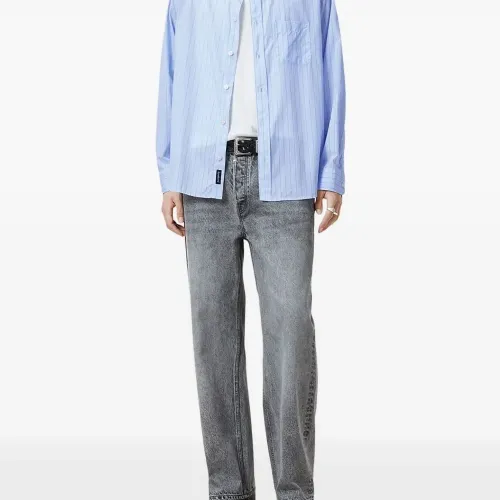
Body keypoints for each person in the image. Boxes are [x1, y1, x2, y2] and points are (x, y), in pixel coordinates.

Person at [156, 0, 345, 498]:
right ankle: (229, 491)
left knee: (290, 332)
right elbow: (171, 73)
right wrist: (170, 173)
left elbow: (331, 70)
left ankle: (294, 491)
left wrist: (331, 170)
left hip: (287, 177)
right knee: (213, 339)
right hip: (203, 178)